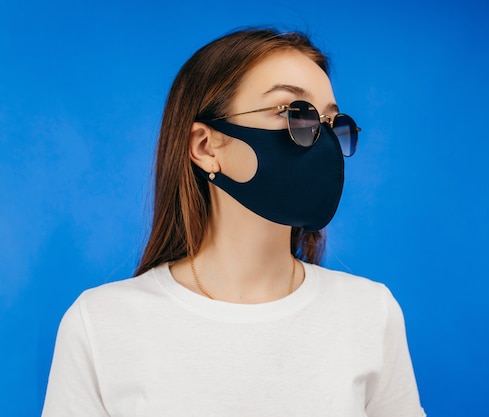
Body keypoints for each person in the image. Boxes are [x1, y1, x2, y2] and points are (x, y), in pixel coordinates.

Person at [41, 28, 426, 417]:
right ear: (206, 147)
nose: (323, 138)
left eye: (331, 121)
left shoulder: (370, 313)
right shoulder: (101, 323)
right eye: (293, 111)